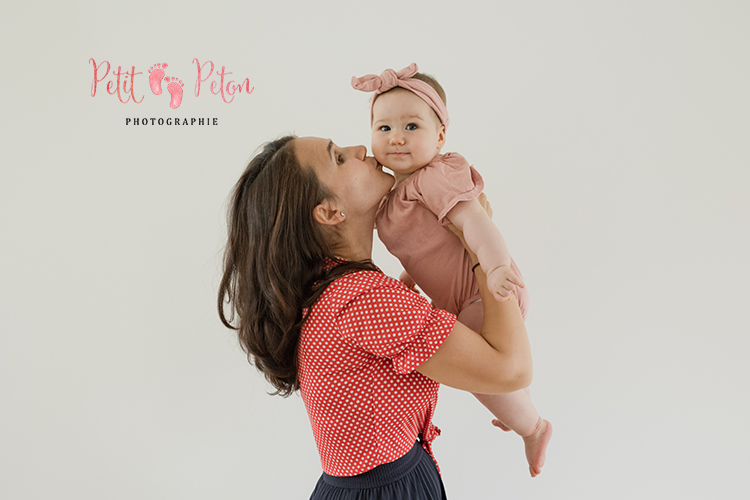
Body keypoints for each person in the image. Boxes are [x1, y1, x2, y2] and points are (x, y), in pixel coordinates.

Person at [218, 135, 534, 499]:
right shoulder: (364, 299)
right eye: (338, 158)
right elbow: (513, 370)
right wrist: (478, 245)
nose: (360, 149)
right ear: (330, 211)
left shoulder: (335, 290)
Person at [352, 63, 552, 477]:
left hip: (485, 291)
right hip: (459, 300)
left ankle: (532, 426)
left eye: (411, 125)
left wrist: (495, 268)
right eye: (384, 129)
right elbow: (420, 254)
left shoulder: (435, 177)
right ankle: (517, 406)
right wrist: (407, 282)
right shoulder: (390, 201)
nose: (397, 137)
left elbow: (477, 223)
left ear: (440, 135)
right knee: (483, 373)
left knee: (480, 374)